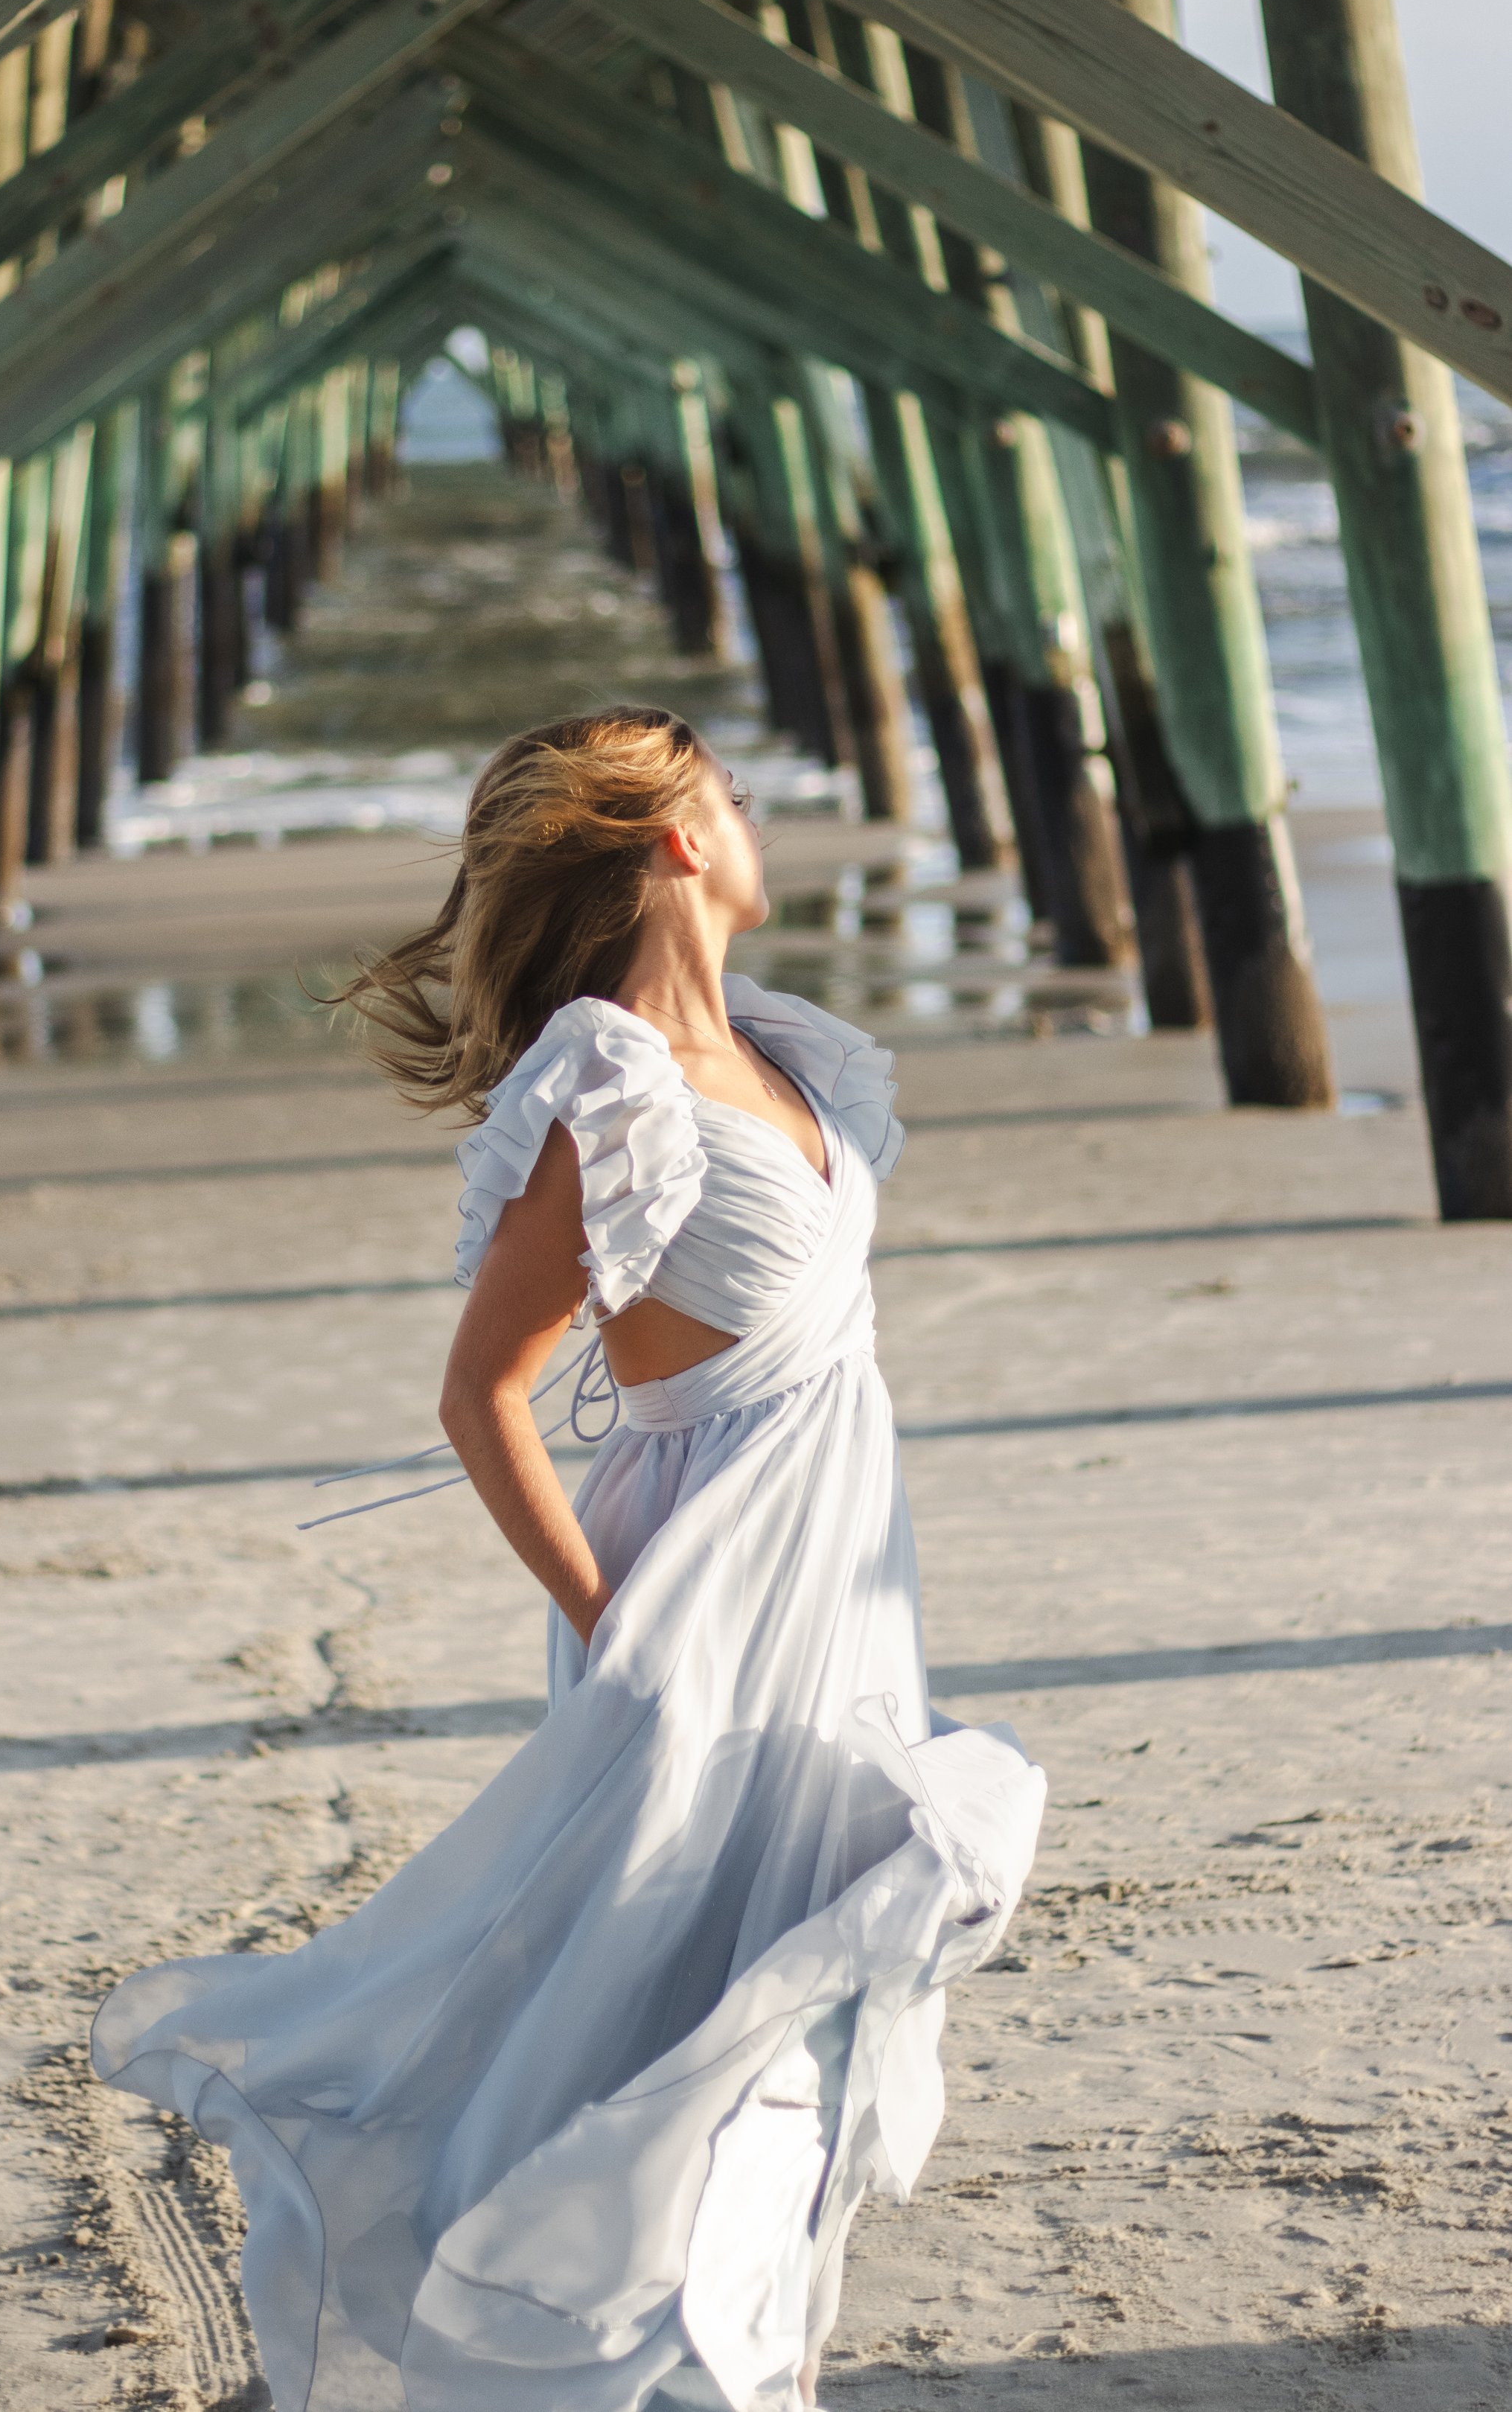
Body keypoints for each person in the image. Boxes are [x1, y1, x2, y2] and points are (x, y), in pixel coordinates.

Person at [92, 706, 1045, 2412]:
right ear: (672, 839)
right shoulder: (609, 1082)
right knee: (671, 2003)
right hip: (700, 1604)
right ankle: (614, 2347)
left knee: (814, 1971)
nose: (751, 814)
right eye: (727, 793)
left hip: (836, 1590)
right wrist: (619, 1634)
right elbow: (482, 1393)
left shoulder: (781, 1057)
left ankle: (744, 2359)